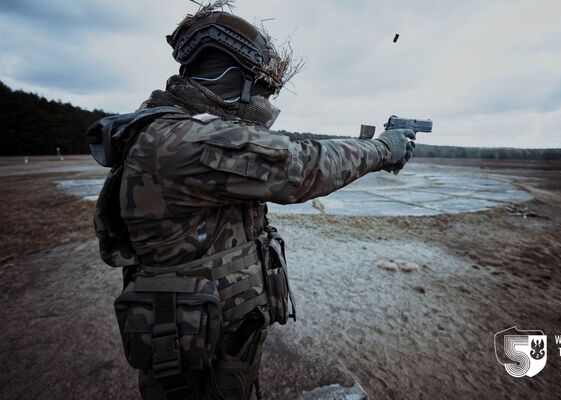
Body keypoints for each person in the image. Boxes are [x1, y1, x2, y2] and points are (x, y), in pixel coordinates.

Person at [87, 4, 415, 400]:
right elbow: (302, 165)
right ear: (235, 79)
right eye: (263, 88)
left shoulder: (174, 131)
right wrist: (383, 148)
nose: (263, 99)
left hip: (208, 334)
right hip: (193, 355)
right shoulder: (183, 141)